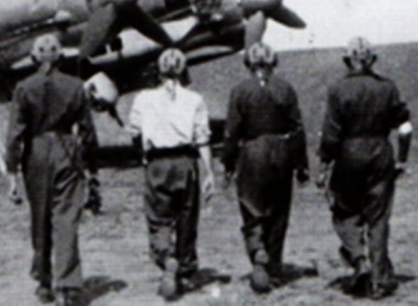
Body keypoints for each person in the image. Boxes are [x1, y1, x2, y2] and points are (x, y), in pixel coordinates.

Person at [5, 33, 99, 306]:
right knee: (66, 218)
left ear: (34, 57)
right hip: (67, 151)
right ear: (60, 55)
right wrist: (93, 168)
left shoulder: (24, 88)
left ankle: (44, 282)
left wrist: (12, 175)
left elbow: (14, 135)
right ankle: (68, 286)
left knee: (40, 217)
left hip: (35, 154)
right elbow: (88, 132)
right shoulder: (75, 86)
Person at [317, 36, 411, 299]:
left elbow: (331, 135)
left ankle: (359, 259)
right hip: (381, 154)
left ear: (348, 61)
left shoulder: (338, 89)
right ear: (372, 60)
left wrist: (324, 163)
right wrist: (402, 160)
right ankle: (380, 281)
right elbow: (405, 128)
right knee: (379, 219)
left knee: (344, 212)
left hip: (348, 156)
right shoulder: (388, 88)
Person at [221, 42, 309, 293]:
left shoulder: (239, 91)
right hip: (281, 152)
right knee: (279, 210)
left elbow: (231, 131)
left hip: (251, 152)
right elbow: (297, 129)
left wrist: (227, 163)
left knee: (251, 206)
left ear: (249, 64)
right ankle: (274, 264)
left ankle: (257, 248)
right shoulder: (286, 88)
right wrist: (301, 165)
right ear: (273, 63)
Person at [128, 48, 215, 300]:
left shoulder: (143, 98)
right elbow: (202, 139)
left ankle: (166, 255)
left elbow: (135, 131)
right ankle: (184, 263)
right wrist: (208, 172)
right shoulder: (195, 99)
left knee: (158, 216)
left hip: (157, 162)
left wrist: (143, 155)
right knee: (187, 215)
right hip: (186, 162)